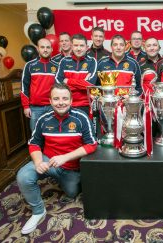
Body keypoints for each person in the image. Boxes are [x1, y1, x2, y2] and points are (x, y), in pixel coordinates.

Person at [17, 83, 97, 235]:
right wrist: (38, 162)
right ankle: (38, 211)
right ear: (50, 101)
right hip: (48, 162)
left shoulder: (81, 118)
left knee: (72, 192)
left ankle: (64, 180)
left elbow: (91, 145)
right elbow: (34, 144)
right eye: (56, 98)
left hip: (71, 166)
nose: (61, 102)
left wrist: (64, 158)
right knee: (23, 176)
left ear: (71, 101)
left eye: (65, 98)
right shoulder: (43, 119)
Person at [21, 38, 58, 131]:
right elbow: (24, 86)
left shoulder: (57, 66)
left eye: (48, 47)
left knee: (53, 133)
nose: (45, 50)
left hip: (53, 107)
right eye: (42, 47)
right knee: (36, 135)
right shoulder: (29, 65)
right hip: (35, 109)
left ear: (52, 49)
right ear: (37, 49)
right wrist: (26, 106)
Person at [55, 33, 98, 115]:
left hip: (86, 105)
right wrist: (82, 82)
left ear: (86, 47)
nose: (78, 48)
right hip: (66, 104)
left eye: (81, 46)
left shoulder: (92, 61)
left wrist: (67, 81)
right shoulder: (64, 61)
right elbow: (58, 83)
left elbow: (90, 85)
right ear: (71, 46)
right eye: (76, 45)